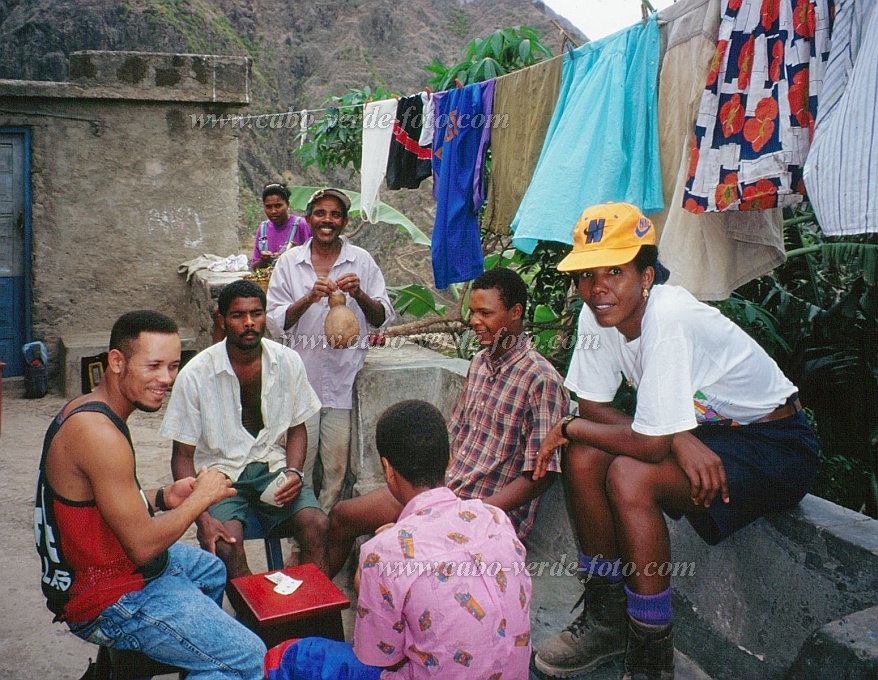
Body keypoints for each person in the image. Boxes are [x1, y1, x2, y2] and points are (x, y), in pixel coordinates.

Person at [531, 202, 819, 680]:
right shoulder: (598, 313)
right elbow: (597, 404)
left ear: (647, 275)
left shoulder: (668, 317)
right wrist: (677, 434)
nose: (597, 287)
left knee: (627, 474)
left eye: (614, 272)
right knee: (583, 458)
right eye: (585, 274)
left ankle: (650, 654)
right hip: (709, 432)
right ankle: (606, 621)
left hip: (774, 443)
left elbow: (637, 444)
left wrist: (569, 427)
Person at [34, 310, 266, 679]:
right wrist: (198, 500)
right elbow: (142, 546)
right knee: (247, 657)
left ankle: (188, 656)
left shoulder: (90, 409)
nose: (167, 379)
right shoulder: (99, 435)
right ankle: (204, 658)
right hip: (103, 597)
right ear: (117, 361)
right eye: (154, 365)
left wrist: (162, 498)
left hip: (105, 566)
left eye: (173, 366)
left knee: (209, 569)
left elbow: (98, 501)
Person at [325, 267, 570, 577]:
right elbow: (453, 435)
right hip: (442, 490)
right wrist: (424, 496)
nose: (474, 321)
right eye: (472, 312)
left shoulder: (541, 379)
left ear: (515, 313)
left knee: (379, 563)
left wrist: (475, 511)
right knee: (341, 516)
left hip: (483, 512)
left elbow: (542, 474)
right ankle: (316, 612)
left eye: (485, 313)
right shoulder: (480, 362)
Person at [265, 400, 533, 680]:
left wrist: (365, 577)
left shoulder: (383, 553)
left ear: (387, 469)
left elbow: (379, 656)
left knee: (292, 655)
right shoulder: (496, 518)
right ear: (450, 459)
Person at [160, 279, 328, 578]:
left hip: (273, 466)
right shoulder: (196, 375)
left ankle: (302, 613)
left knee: (317, 526)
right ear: (222, 320)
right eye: (238, 315)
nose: (249, 322)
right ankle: (255, 620)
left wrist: (294, 472)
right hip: (219, 474)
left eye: (257, 313)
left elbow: (297, 428)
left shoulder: (287, 362)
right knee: (226, 545)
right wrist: (201, 518)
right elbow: (182, 456)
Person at [266, 187, 394, 513]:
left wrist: (360, 295)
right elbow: (275, 322)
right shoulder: (290, 263)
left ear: (344, 222)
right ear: (309, 219)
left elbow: (382, 318)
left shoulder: (361, 261)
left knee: (336, 472)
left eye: (335, 214)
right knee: (300, 469)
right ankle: (301, 534)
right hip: (300, 385)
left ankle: (321, 530)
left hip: (341, 384)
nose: (327, 220)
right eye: (320, 213)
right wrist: (309, 298)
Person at [251, 183, 312, 270]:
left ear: (287, 204)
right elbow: (254, 267)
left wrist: (294, 253)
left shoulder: (301, 225)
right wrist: (263, 261)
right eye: (268, 207)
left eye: (278, 206)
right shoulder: (263, 228)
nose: (273, 211)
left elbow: (314, 258)